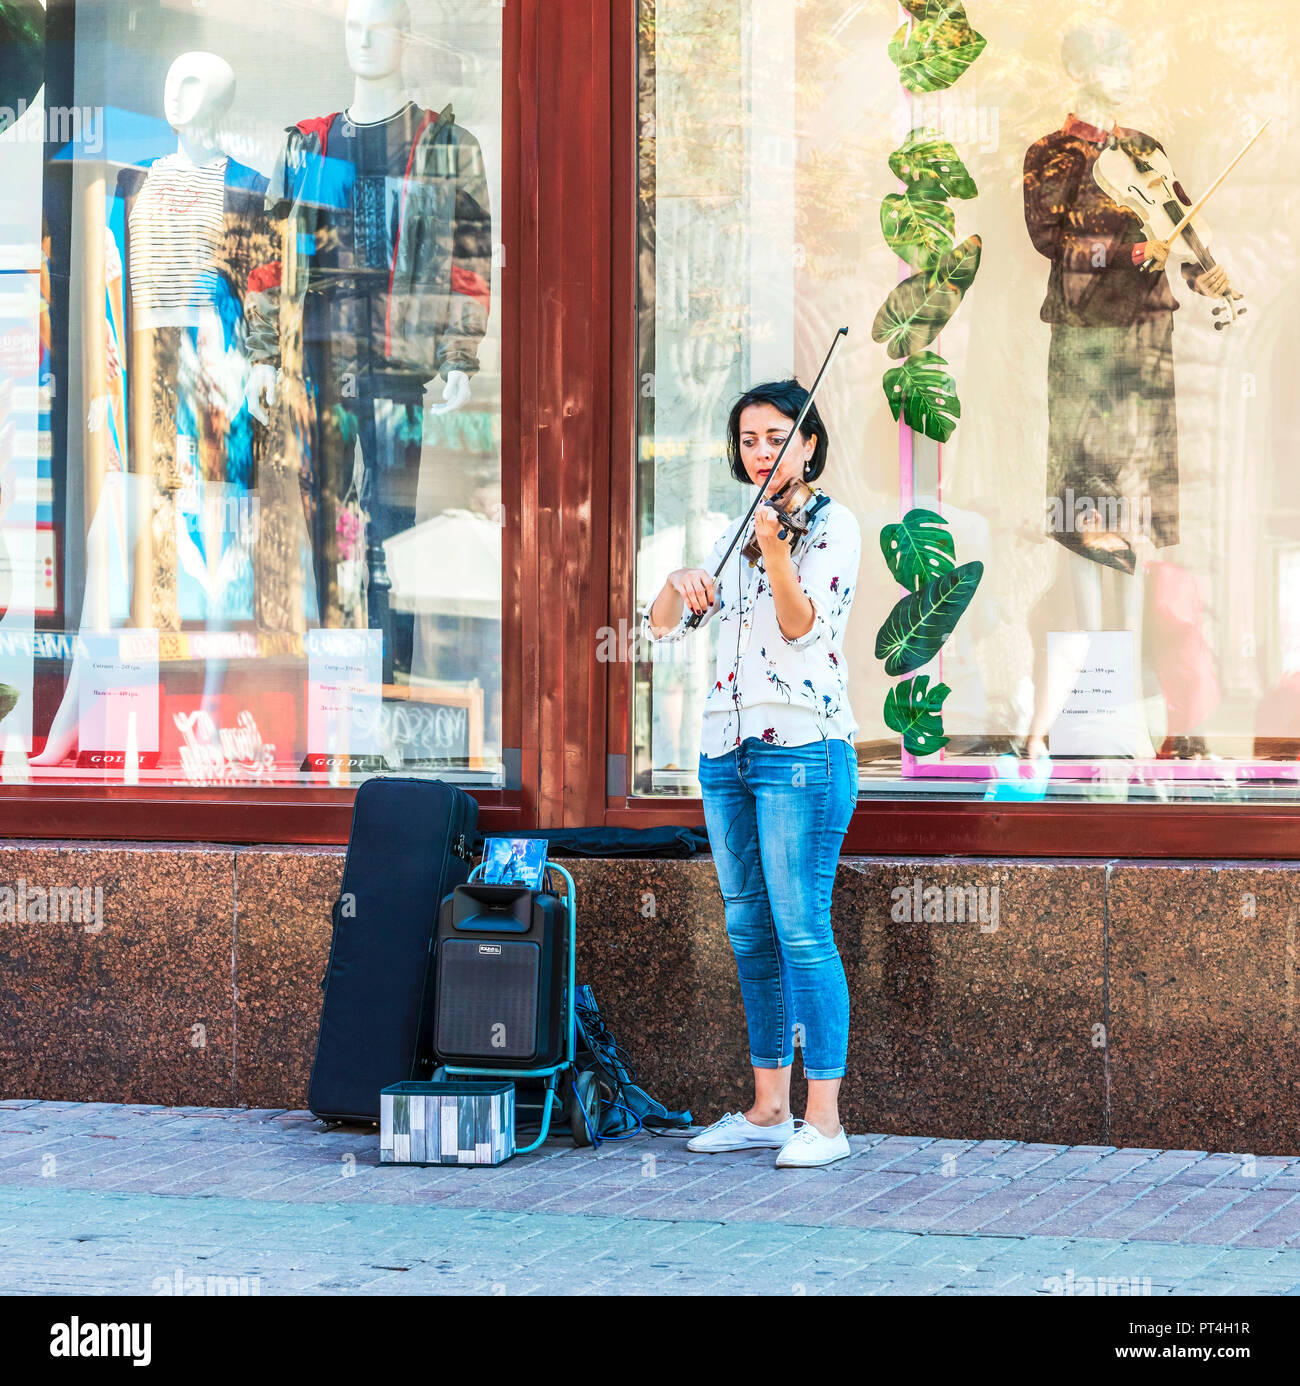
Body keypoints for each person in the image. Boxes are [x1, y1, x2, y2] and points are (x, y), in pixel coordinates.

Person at [642, 379, 861, 1168]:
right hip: (726, 751)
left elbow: (804, 629)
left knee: (803, 927)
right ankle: (769, 1108)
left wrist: (774, 549)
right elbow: (664, 629)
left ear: (808, 444)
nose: (761, 452)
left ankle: (825, 1123)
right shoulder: (730, 527)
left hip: (803, 748)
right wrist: (675, 587)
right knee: (748, 928)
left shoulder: (833, 528)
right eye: (748, 440)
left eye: (776, 438)